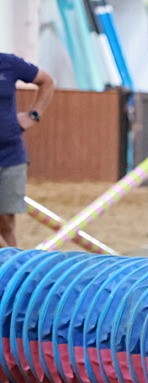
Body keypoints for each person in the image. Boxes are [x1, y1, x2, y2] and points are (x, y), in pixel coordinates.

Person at [0, 52, 54, 248]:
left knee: (6, 221)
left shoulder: (8, 63)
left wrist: (34, 115)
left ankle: (9, 273)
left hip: (11, 154)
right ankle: (12, 266)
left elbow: (46, 81)